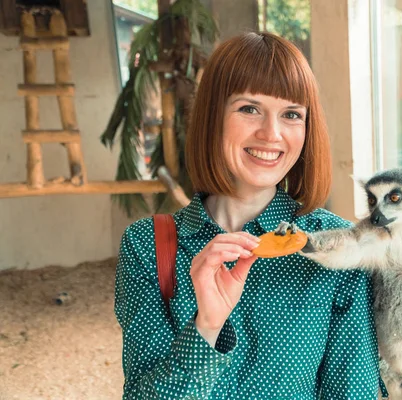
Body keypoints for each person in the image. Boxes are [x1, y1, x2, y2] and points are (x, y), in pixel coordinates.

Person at [114, 31, 383, 399]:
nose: (271, 134)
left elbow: (354, 392)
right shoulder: (147, 246)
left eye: (291, 114)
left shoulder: (339, 248)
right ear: (213, 116)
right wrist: (206, 325)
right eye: (249, 108)